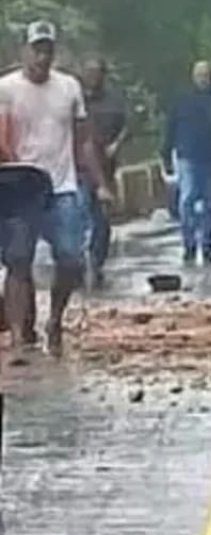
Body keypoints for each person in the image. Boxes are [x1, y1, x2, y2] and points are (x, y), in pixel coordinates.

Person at [0, 21, 112, 355]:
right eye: (36, 49)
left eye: (48, 49)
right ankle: (21, 336)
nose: (42, 56)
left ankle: (55, 319)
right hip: (20, 187)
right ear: (24, 51)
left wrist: (101, 184)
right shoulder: (6, 89)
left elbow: (84, 142)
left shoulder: (68, 88)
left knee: (71, 259)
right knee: (19, 261)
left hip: (62, 186)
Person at [161, 60, 211, 265]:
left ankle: (207, 244)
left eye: (207, 75)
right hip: (188, 157)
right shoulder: (182, 101)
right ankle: (189, 244)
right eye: (200, 75)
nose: (203, 79)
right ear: (193, 77)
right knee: (187, 200)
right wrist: (166, 154)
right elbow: (170, 128)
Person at [81, 57, 129, 286]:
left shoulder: (114, 100)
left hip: (106, 166)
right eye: (89, 72)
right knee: (81, 214)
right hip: (78, 168)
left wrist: (117, 144)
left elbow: (127, 125)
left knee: (101, 220)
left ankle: (96, 260)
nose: (93, 77)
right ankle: (80, 260)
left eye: (97, 72)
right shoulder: (76, 98)